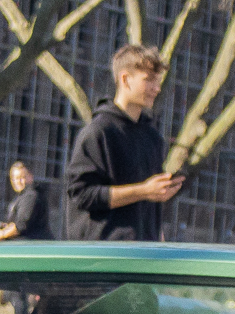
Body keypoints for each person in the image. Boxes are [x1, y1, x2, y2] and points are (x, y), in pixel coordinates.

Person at [64, 45, 181, 242]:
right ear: (125, 79)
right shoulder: (97, 132)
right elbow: (81, 195)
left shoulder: (152, 137)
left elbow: (149, 202)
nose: (157, 88)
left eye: (158, 81)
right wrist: (143, 191)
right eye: (149, 80)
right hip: (103, 258)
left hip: (144, 256)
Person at [0, 160, 55, 241]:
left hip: (33, 246)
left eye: (22, 177)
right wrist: (5, 227)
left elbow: (21, 226)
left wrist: (2, 234)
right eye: (14, 178)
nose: (18, 182)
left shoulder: (31, 195)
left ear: (30, 177)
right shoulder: (23, 195)